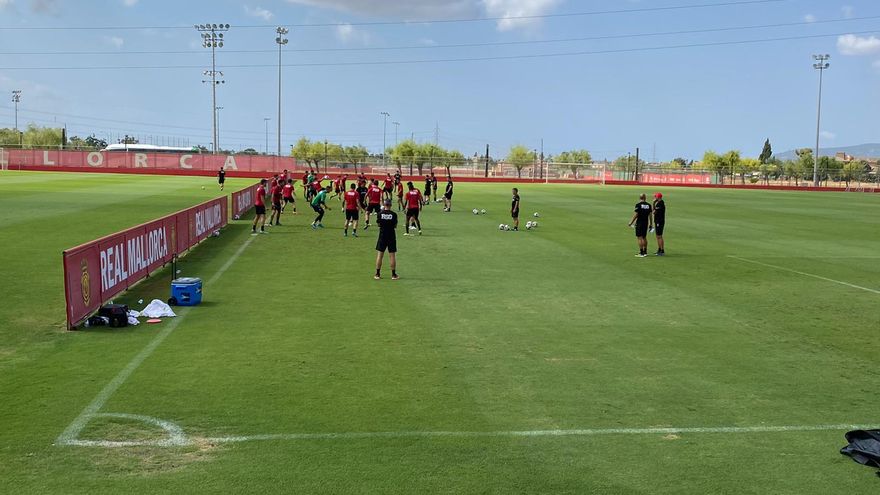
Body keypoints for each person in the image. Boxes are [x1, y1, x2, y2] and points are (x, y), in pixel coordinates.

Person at [374, 199, 399, 280]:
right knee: (392, 255)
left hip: (382, 235)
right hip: (391, 235)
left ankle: (377, 274)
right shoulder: (394, 214)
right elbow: (395, 226)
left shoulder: (380, 214)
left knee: (380, 255)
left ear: (384, 205)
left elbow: (378, 224)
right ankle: (393, 274)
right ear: (390, 205)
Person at [628, 193, 654, 258]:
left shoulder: (638, 205)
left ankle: (641, 252)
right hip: (646, 222)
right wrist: (651, 224)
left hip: (639, 223)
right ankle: (645, 251)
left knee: (639, 237)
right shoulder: (649, 205)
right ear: (645, 198)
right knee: (644, 237)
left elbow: (636, 215)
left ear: (640, 198)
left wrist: (631, 222)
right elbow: (650, 215)